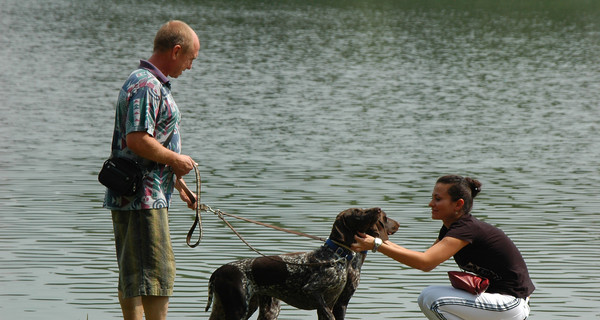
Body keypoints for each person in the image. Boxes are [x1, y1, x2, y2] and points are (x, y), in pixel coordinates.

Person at [103, 20, 200, 320]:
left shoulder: (146, 82)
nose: (190, 67)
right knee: (157, 276)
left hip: (141, 194)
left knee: (135, 273)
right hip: (143, 200)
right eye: (190, 59)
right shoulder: (146, 84)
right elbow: (137, 139)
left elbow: (146, 144)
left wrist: (179, 186)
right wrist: (175, 160)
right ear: (176, 51)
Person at [351, 175, 535, 320]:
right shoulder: (452, 227)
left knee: (432, 299)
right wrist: (375, 240)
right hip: (497, 303)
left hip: (510, 304)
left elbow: (425, 263)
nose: (431, 204)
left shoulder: (466, 229)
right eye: (432, 198)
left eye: (438, 199)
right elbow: (424, 257)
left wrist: (376, 245)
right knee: (427, 297)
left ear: (458, 204)